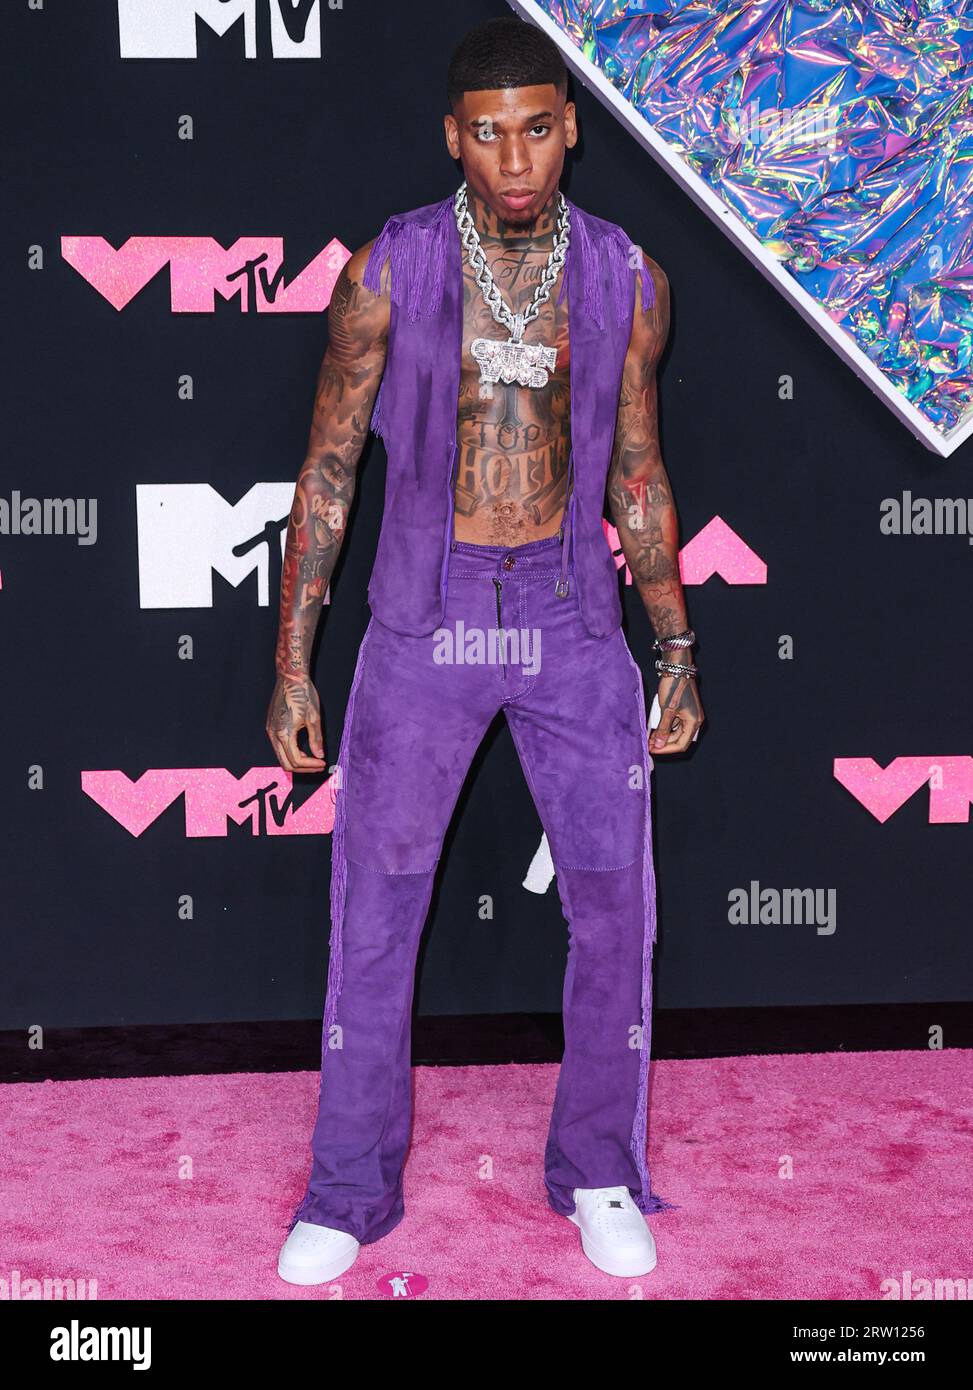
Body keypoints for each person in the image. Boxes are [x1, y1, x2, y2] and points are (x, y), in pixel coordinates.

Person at [267, 14, 704, 1284]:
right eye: (488, 133)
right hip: (423, 616)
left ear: (571, 129)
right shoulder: (390, 269)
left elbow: (637, 471)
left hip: (571, 618)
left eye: (538, 129)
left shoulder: (628, 275)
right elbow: (329, 473)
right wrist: (294, 658)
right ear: (451, 137)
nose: (515, 158)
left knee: (617, 910)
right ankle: (348, 1189)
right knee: (374, 913)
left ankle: (603, 1168)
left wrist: (671, 647)